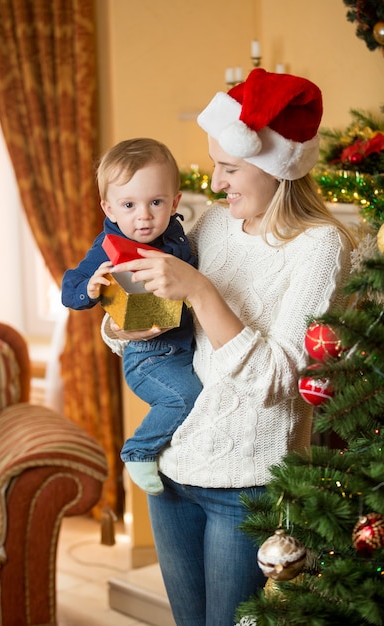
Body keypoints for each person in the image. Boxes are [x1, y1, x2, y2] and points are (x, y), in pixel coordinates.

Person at [100, 69, 357, 626]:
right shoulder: (214, 226)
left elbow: (280, 381)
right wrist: (121, 327)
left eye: (230, 167)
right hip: (173, 471)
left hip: (248, 485)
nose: (215, 184)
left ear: (276, 166)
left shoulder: (321, 248)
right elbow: (151, 317)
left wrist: (199, 289)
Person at [61, 137, 202, 496]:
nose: (143, 216)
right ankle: (138, 450)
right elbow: (70, 286)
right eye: (129, 204)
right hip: (149, 358)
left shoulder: (174, 232)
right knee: (186, 396)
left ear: (174, 202)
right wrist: (89, 287)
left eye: (156, 202)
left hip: (184, 347)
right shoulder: (107, 246)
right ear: (109, 209)